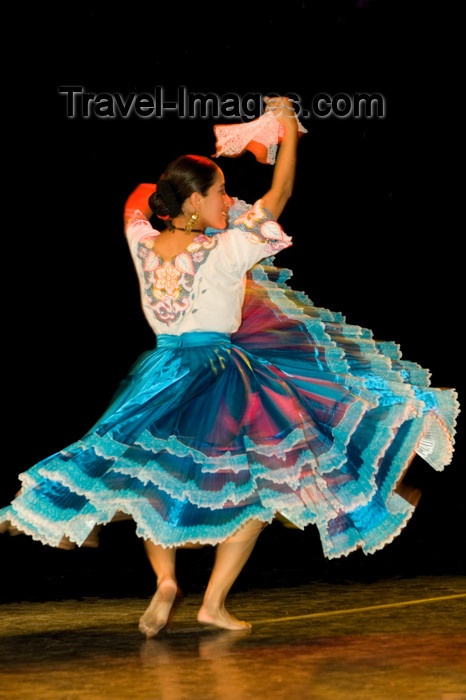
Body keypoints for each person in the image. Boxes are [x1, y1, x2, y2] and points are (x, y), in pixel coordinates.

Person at [0, 97, 459, 638]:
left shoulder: (141, 241)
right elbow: (280, 195)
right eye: (219, 192)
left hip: (161, 371)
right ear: (194, 200)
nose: (228, 199)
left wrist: (192, 187)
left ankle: (168, 583)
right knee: (256, 490)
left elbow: (136, 197)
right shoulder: (226, 250)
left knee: (153, 478)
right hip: (222, 373)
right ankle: (211, 601)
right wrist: (281, 132)